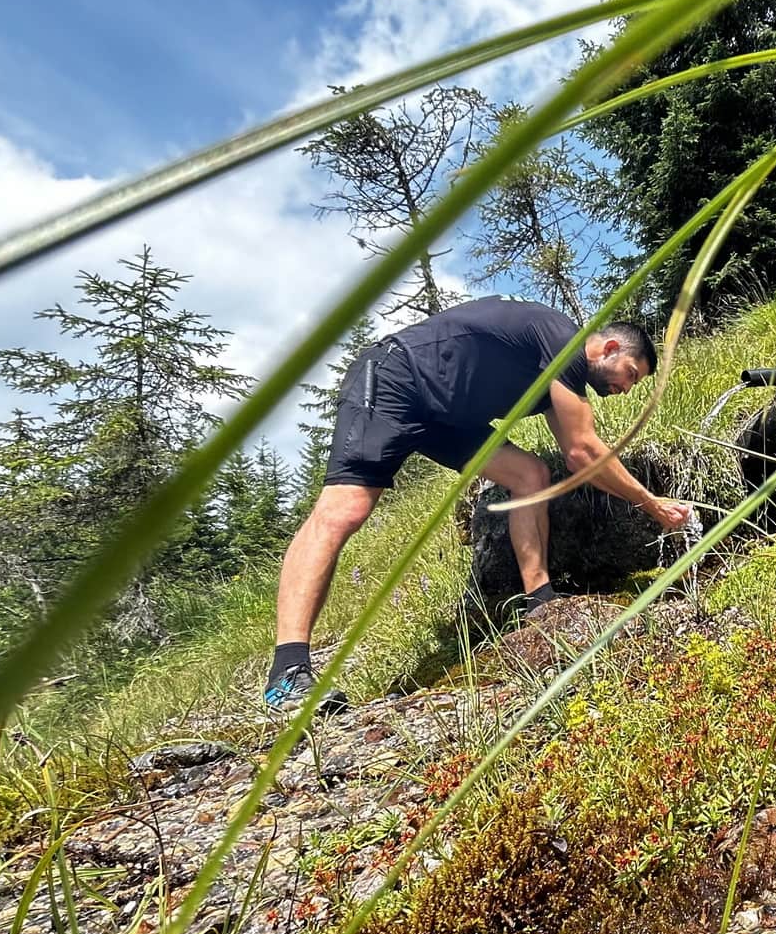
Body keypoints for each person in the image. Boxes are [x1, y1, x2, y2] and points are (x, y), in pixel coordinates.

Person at [263, 296, 695, 709]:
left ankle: (540, 602)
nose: (626, 388)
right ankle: (287, 674)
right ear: (611, 347)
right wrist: (649, 502)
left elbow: (578, 459)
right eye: (631, 374)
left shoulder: (556, 375)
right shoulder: (560, 337)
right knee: (345, 510)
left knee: (530, 477)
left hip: (448, 419)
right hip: (396, 379)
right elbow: (584, 451)